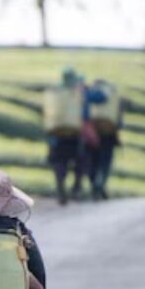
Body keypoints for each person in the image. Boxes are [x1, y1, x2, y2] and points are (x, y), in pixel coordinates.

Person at [47, 69, 86, 205]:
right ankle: (76, 188)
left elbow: (49, 114)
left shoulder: (55, 92)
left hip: (57, 135)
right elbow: (85, 113)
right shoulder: (77, 93)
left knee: (59, 163)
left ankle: (61, 186)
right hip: (74, 136)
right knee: (79, 163)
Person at [85, 79, 122, 201]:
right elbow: (119, 119)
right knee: (105, 163)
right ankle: (100, 185)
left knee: (93, 162)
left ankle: (96, 186)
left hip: (93, 133)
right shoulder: (112, 93)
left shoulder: (88, 93)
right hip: (108, 134)